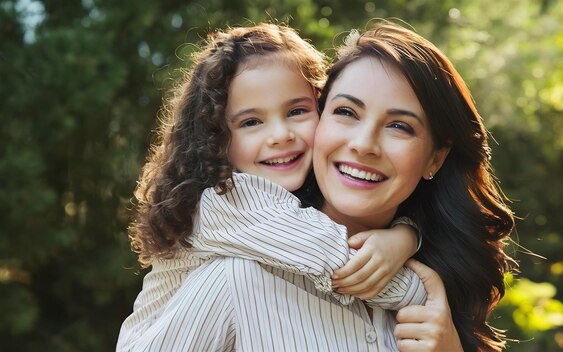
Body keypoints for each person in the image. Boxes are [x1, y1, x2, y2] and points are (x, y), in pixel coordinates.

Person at [117, 23, 428, 352]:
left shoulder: (293, 202)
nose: (280, 135)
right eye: (251, 122)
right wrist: (419, 279)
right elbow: (340, 263)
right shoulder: (229, 200)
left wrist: (404, 232)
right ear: (217, 139)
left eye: (296, 111)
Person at [309, 21, 515, 351]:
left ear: (435, 159)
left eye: (399, 126)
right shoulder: (237, 276)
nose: (364, 145)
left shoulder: (439, 298)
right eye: (346, 111)